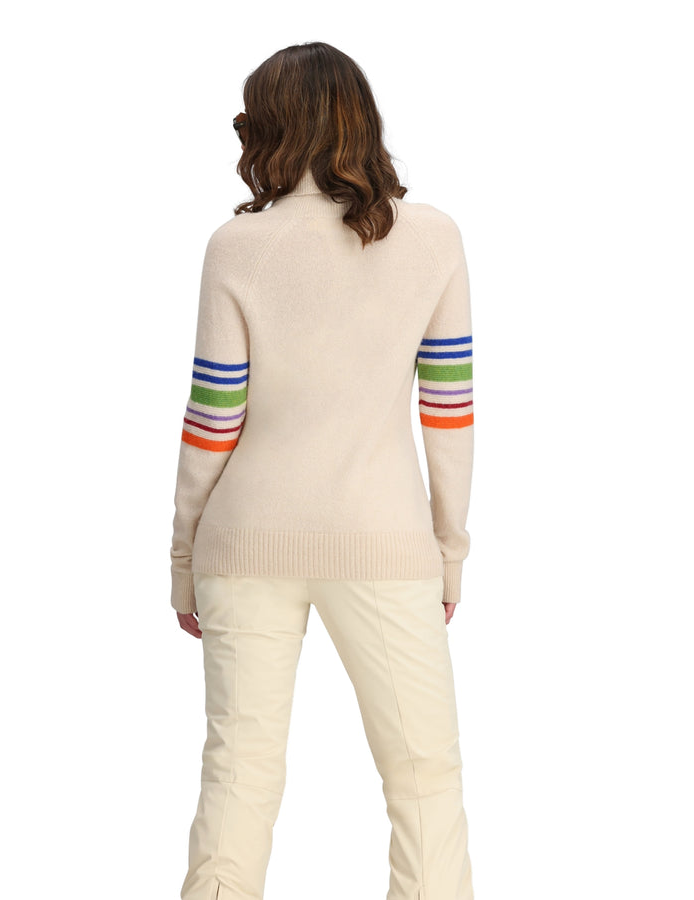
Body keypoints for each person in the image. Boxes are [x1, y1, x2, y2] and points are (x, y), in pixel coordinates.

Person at [169, 40, 476, 900]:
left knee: (238, 779)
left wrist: (184, 560)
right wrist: (449, 553)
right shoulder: (434, 239)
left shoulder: (236, 245)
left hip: (244, 541)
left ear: (269, 127)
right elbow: (449, 413)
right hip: (384, 541)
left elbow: (212, 420)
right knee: (424, 780)